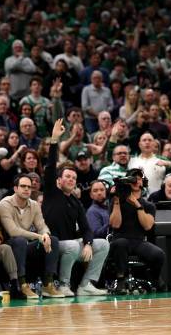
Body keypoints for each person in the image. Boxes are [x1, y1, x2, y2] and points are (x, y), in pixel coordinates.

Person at [42, 119, 110, 296]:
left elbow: (87, 228)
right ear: (58, 180)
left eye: (74, 178)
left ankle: (86, 284)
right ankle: (64, 284)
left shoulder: (75, 201)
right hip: (53, 245)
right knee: (72, 245)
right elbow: (50, 166)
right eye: (68, 177)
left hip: (73, 246)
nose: (72, 180)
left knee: (102, 244)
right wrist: (54, 140)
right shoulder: (51, 192)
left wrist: (88, 244)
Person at [0, 174, 64, 298]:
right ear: (15, 188)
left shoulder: (34, 205)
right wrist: (38, 237)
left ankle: (48, 284)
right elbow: (13, 231)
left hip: (25, 245)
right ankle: (22, 285)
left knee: (53, 240)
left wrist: (45, 235)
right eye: (23, 186)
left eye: (29, 187)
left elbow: (42, 225)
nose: (27, 189)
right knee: (20, 240)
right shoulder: (4, 204)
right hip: (7, 246)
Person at [109, 168, 166, 294]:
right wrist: (117, 201)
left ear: (143, 183)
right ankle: (121, 279)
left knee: (159, 254)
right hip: (120, 239)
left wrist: (137, 204)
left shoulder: (149, 205)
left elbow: (147, 226)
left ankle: (154, 277)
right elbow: (115, 224)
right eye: (132, 178)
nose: (136, 181)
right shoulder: (116, 201)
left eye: (139, 178)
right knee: (120, 243)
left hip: (139, 241)